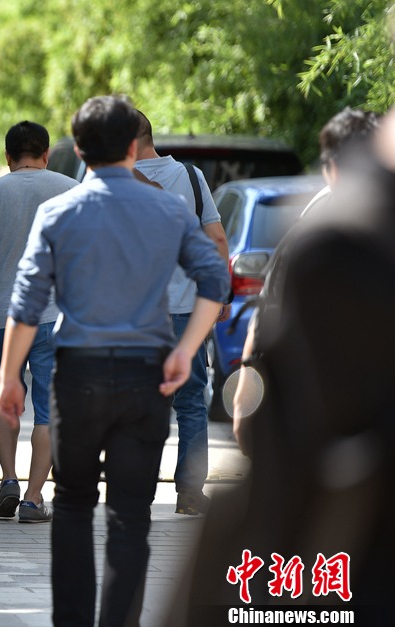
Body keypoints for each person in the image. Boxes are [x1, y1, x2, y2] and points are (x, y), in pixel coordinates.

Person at [0, 95, 229, 626]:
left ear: (77, 149)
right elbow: (216, 279)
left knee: (74, 504)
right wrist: (186, 350)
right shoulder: (170, 208)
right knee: (131, 515)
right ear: (133, 146)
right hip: (146, 375)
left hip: (78, 374)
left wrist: (10, 378)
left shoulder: (58, 212)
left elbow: (27, 304)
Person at [165, 110, 395, 625]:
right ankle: (188, 488)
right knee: (191, 408)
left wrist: (249, 386)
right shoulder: (342, 233)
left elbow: (298, 451)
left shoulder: (341, 240)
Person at [231, 107, 379, 453]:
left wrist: (245, 394)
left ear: (332, 169)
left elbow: (268, 315)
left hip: (327, 413)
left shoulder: (314, 232)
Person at [0, 121, 77, 523]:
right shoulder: (70, 190)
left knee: (3, 396)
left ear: (7, 157)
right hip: (55, 314)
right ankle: (33, 497)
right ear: (45, 154)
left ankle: (8, 478)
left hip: (2, 315)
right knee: (48, 408)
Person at [134, 111, 232, 515]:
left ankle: (136, 493)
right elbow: (218, 237)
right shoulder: (191, 177)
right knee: (191, 401)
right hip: (189, 312)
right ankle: (190, 493)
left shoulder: (111, 182)